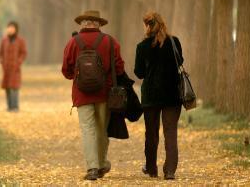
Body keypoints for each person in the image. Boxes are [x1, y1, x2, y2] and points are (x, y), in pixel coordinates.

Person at [62, 10, 125, 181]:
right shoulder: (110, 42)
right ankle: (102, 162)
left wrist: (78, 77)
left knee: (87, 129)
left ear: (83, 24)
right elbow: (119, 67)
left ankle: (92, 168)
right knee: (101, 129)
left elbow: (66, 70)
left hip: (81, 94)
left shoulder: (73, 42)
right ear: (98, 24)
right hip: (105, 94)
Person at [134, 12, 183, 180]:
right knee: (170, 132)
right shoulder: (174, 42)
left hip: (151, 96)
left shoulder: (142, 47)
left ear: (147, 26)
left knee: (151, 133)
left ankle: (151, 168)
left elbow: (139, 73)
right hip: (172, 95)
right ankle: (169, 171)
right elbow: (180, 62)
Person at [0, 21, 27, 112]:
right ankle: (9, 106)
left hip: (15, 68)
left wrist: (19, 62)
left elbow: (23, 53)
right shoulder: (4, 40)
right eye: (9, 27)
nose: (10, 29)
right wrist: (2, 62)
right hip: (6, 68)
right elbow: (0, 53)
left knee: (14, 87)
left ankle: (15, 107)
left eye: (12, 28)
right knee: (7, 87)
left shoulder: (20, 40)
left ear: (16, 29)